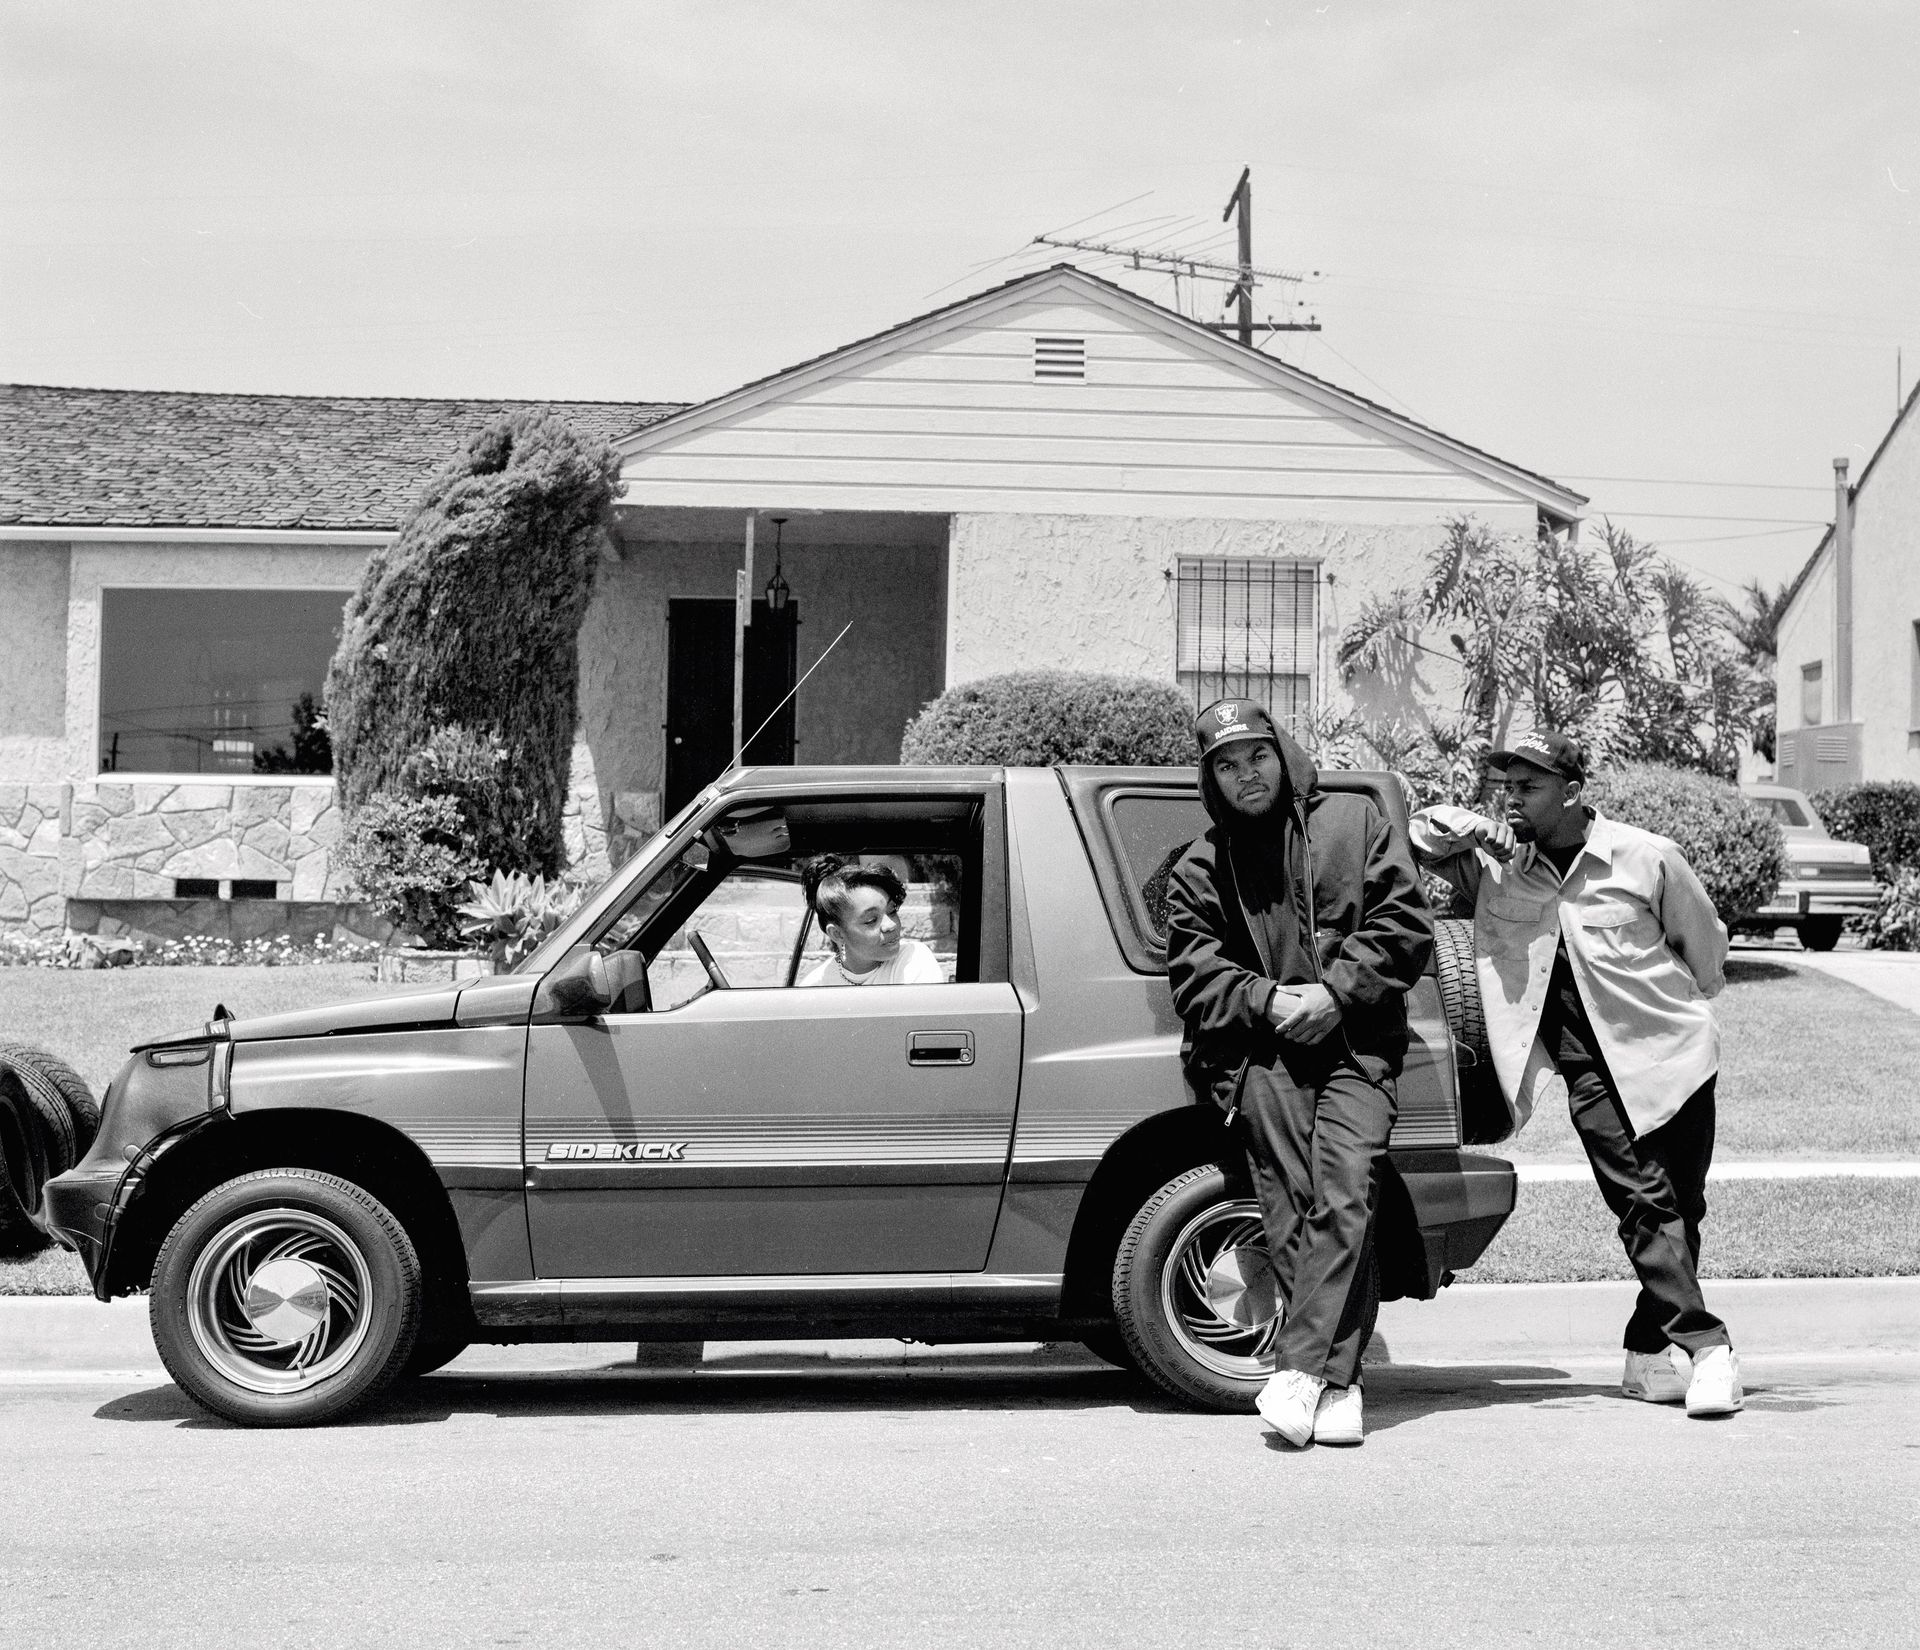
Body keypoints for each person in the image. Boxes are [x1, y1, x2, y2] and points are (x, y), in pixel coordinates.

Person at [1408, 729, 1743, 1417]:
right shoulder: (1495, 866)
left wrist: (1688, 1005)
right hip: (1588, 1070)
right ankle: (1709, 1351)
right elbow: (1412, 839)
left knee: (1682, 1209)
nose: (1513, 800)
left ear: (1572, 791)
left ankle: (1648, 1357)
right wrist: (1466, 823)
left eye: (1528, 787)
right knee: (1643, 1204)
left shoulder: (1644, 857)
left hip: (1674, 1055)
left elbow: (1706, 948)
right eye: (1504, 787)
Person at [1165, 699, 1433, 1447]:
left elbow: (1405, 927)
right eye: (1225, 764)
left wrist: (1336, 993)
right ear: (1210, 778)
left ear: (1282, 754)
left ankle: (1302, 1370)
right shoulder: (1198, 867)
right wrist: (1270, 999)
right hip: (1261, 1054)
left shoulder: (1353, 824)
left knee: (1348, 1191)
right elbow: (1192, 977)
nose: (1245, 774)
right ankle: (1339, 1386)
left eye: (1256, 755)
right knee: (1290, 1206)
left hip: (1356, 1046)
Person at [798, 860, 946, 987]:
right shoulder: (814, 986)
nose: (891, 925)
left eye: (892, 911)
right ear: (837, 933)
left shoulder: (913, 958)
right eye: (871, 920)